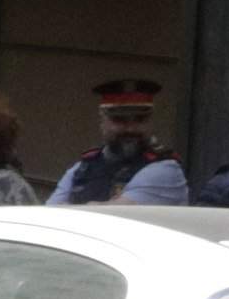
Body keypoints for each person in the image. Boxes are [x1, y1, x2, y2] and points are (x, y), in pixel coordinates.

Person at [50, 77, 191, 207]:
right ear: (102, 122)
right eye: (119, 120)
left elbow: (112, 217)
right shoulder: (83, 167)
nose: (130, 128)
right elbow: (50, 212)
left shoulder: (165, 170)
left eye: (140, 120)